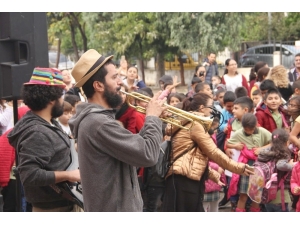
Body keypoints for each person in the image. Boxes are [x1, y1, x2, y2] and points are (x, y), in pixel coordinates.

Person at [68, 49, 166, 212]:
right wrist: (153, 118)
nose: (120, 82)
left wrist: (155, 118)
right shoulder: (99, 123)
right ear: (98, 85)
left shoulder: (99, 120)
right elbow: (148, 155)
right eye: (114, 77)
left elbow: (134, 150)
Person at [161, 93, 254, 212]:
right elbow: (213, 152)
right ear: (201, 108)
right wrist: (238, 167)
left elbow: (195, 157)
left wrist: (213, 175)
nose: (213, 110)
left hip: (182, 178)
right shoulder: (195, 124)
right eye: (211, 106)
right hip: (185, 181)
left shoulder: (189, 122)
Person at [7, 67, 81, 212]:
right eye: (61, 95)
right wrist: (68, 175)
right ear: (51, 99)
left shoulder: (49, 123)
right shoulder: (37, 132)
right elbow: (30, 175)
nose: (63, 99)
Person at [226, 113, 272, 212]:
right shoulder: (239, 133)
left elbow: (273, 143)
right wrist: (236, 146)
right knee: (243, 194)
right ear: (243, 127)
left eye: (251, 129)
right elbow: (228, 143)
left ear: (256, 125)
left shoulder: (263, 132)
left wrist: (261, 149)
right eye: (246, 130)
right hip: (246, 165)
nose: (249, 132)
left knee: (257, 194)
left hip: (259, 165)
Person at [258, 128, 295, 212]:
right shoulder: (283, 154)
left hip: (266, 194)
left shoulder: (265, 153)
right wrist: (291, 165)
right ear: (286, 143)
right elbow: (280, 165)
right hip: (279, 195)